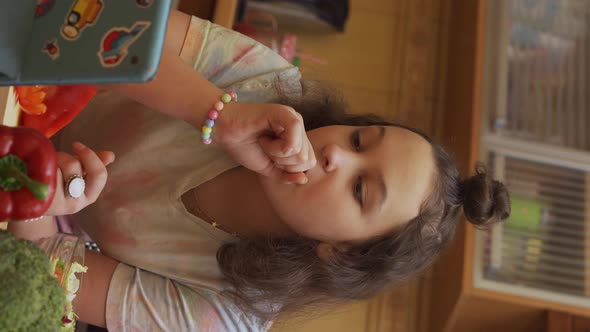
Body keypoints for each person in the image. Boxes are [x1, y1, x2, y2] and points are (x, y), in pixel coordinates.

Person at [9, 9, 511, 332]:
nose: (338, 153)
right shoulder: (267, 82)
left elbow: (35, 271)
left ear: (342, 252)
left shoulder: (227, 314)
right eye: (359, 140)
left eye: (360, 188)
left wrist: (42, 195)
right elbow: (112, 25)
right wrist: (218, 113)